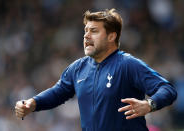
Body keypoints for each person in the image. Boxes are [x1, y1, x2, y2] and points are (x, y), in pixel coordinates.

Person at [15, 8, 177, 131]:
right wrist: (33, 103)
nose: (86, 36)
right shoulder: (78, 68)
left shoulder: (128, 65)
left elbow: (167, 89)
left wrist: (149, 104)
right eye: (86, 31)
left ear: (111, 36)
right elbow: (58, 92)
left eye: (93, 31)